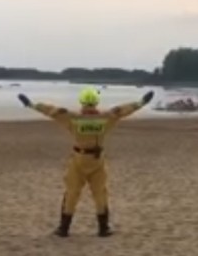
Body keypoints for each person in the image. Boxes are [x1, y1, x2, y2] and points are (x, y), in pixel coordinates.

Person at [17, 87, 154, 238]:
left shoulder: (71, 118)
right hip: (97, 160)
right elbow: (123, 110)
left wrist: (31, 104)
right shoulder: (106, 118)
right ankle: (103, 228)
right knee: (100, 193)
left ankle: (64, 229)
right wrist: (142, 102)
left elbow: (51, 111)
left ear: (82, 101)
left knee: (72, 194)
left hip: (78, 159)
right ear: (96, 102)